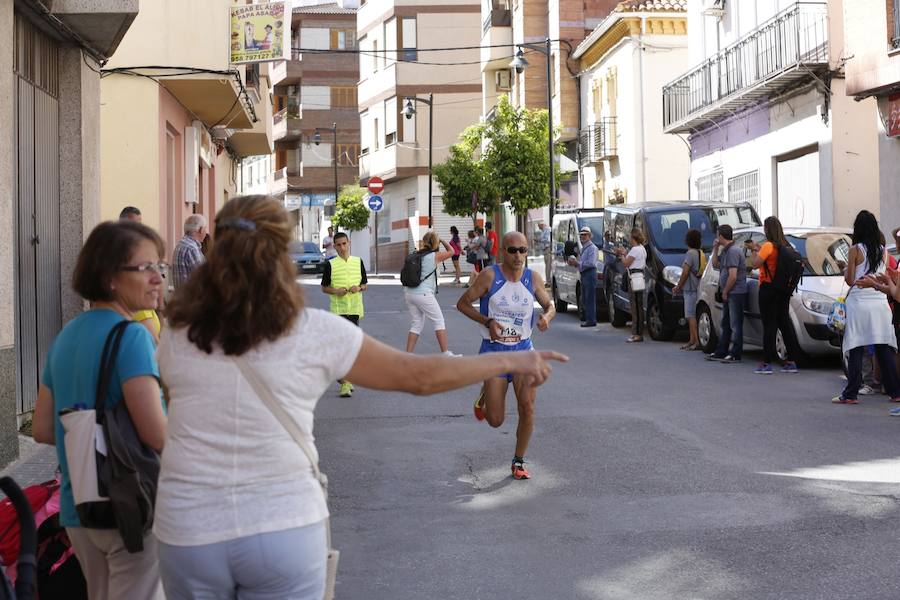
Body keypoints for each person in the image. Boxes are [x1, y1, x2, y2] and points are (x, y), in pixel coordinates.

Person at [154, 196, 566, 599]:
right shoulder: (311, 330)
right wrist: (506, 363)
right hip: (280, 523)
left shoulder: (175, 333)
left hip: (188, 526)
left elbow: (170, 415)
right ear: (280, 256)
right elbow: (417, 377)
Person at [31, 220, 168, 600]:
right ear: (110, 278)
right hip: (130, 506)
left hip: (80, 509)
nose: (157, 278)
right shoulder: (132, 336)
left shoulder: (67, 336)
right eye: (145, 268)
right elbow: (156, 434)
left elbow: (42, 428)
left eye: (160, 267)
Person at [456, 231, 557, 480]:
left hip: (523, 351)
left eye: (523, 250)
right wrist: (487, 320)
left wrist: (546, 317)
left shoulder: (532, 278)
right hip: (494, 353)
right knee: (495, 420)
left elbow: (550, 304)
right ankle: (484, 397)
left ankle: (518, 461)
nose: (519, 256)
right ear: (503, 252)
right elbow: (463, 304)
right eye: (513, 250)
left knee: (528, 408)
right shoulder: (490, 276)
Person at [831, 210, 900, 404]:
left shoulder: (855, 249)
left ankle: (850, 393)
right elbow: (881, 275)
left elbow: (851, 279)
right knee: (883, 347)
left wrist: (846, 269)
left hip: (859, 303)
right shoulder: (884, 250)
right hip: (879, 303)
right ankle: (895, 392)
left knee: (856, 346)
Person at [746, 216, 801, 374]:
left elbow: (755, 264)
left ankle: (766, 363)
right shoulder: (786, 245)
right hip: (783, 289)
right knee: (784, 324)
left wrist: (755, 250)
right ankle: (791, 361)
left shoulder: (768, 246)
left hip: (768, 289)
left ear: (767, 229)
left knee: (769, 325)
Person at [321, 231, 367, 397]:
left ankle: (346, 381)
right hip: (338, 311)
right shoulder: (331, 264)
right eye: (338, 245)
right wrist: (335, 291)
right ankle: (345, 381)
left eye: (344, 243)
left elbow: (365, 284)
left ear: (349, 243)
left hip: (354, 310)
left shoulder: (358, 262)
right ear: (334, 246)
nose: (342, 247)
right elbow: (324, 288)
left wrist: (359, 288)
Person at [405, 232, 458, 355]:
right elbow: (452, 251)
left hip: (409, 293)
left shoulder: (416, 255)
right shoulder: (434, 256)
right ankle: (445, 353)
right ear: (435, 242)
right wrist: (443, 241)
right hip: (423, 294)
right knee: (439, 321)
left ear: (424, 241)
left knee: (416, 324)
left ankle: (408, 355)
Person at [704, 225, 748, 363]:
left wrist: (725, 291)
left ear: (721, 236)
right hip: (730, 292)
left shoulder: (734, 251)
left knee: (735, 323)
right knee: (726, 323)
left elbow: (733, 276)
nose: (716, 238)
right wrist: (715, 248)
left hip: (735, 292)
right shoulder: (726, 251)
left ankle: (735, 353)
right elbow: (716, 264)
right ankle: (721, 351)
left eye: (717, 236)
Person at [672, 228, 704, 351]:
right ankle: (692, 340)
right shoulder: (699, 252)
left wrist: (678, 286)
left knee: (691, 315)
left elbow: (685, 272)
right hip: (697, 286)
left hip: (690, 288)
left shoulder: (690, 254)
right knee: (692, 314)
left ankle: (695, 341)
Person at [616, 228, 648, 342]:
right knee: (638, 306)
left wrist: (622, 256)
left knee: (634, 307)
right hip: (640, 276)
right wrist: (625, 253)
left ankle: (636, 333)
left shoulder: (635, 250)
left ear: (634, 238)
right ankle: (638, 332)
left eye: (630, 237)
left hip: (633, 277)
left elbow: (626, 263)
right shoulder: (642, 249)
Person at [567, 226, 598, 327]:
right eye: (581, 235)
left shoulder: (592, 248)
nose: (583, 237)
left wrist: (577, 263)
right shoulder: (584, 248)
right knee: (585, 298)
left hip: (590, 273)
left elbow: (591, 263)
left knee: (589, 298)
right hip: (585, 274)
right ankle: (589, 318)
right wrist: (575, 263)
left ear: (589, 236)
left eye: (585, 235)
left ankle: (591, 320)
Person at [172, 214, 207, 288]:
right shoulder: (192, 248)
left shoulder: (181, 244)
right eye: (205, 229)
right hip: (192, 297)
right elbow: (204, 276)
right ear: (201, 230)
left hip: (181, 296)